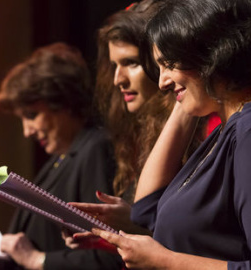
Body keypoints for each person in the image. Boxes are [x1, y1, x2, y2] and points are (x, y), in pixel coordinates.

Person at [92, 0, 251, 269]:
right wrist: (192, 89)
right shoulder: (231, 127)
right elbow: (146, 210)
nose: (161, 82)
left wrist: (165, 261)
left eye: (169, 63)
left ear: (211, 53)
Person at [67, 0, 205, 236]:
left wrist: (135, 225)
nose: (117, 80)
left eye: (130, 63)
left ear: (162, 61)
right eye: (114, 66)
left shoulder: (204, 129)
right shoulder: (141, 131)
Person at [0, 42, 120, 270]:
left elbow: (107, 257)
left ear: (62, 101)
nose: (27, 131)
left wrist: (35, 260)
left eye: (32, 115)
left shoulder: (94, 149)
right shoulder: (62, 157)